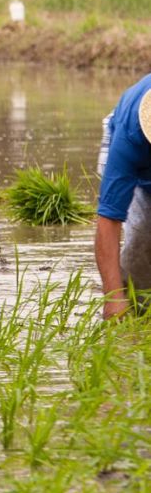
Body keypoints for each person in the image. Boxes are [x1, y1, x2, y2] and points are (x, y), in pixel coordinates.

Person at [94, 73, 151, 319]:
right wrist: (114, 300)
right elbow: (109, 219)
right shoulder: (130, 137)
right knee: (141, 248)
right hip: (135, 155)